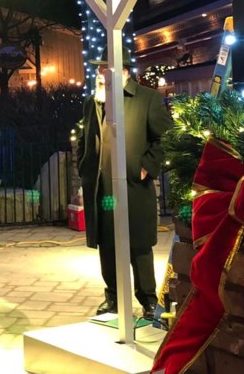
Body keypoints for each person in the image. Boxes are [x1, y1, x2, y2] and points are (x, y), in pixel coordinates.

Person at [76, 50, 173, 320]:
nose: (99, 74)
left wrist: (146, 167)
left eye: (106, 69)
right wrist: (84, 166)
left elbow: (166, 137)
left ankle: (148, 298)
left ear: (125, 72)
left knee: (138, 243)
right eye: (99, 69)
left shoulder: (146, 98)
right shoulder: (92, 103)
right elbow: (84, 140)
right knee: (107, 242)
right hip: (102, 188)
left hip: (132, 186)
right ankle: (114, 296)